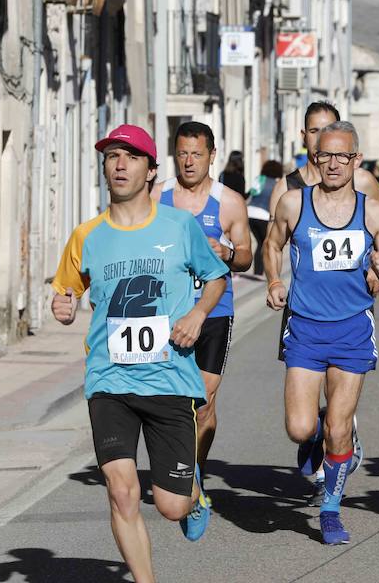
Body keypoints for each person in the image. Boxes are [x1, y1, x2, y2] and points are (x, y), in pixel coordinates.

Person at [51, 124, 230, 581]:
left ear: (152, 170)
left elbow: (215, 277)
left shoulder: (178, 226)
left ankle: (191, 488)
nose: (119, 164)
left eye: (131, 157)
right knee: (122, 490)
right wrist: (63, 305)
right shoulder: (87, 235)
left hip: (169, 379)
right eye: (112, 156)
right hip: (110, 380)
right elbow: (66, 292)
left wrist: (197, 316)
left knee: (171, 507)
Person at [263, 121, 379, 544]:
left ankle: (330, 508)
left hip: (352, 327)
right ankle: (321, 428)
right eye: (324, 155)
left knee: (339, 430)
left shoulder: (373, 211)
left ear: (356, 160)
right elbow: (272, 244)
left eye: (342, 156)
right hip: (304, 326)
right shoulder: (293, 203)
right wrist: (274, 280)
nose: (333, 164)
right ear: (315, 158)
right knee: (299, 428)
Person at [150, 122, 252, 530]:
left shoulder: (227, 202)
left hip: (214, 312)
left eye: (197, 153)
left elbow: (246, 256)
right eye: (182, 153)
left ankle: (192, 475)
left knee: (204, 402)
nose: (189, 161)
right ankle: (184, 474)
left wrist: (225, 250)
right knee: (174, 400)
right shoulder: (159, 198)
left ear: (212, 155)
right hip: (169, 313)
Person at [247, 160, 283, 276]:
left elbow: (251, 193)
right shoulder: (276, 184)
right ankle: (264, 272)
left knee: (260, 243)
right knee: (266, 244)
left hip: (250, 213)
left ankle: (258, 271)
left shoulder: (259, 179)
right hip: (264, 216)